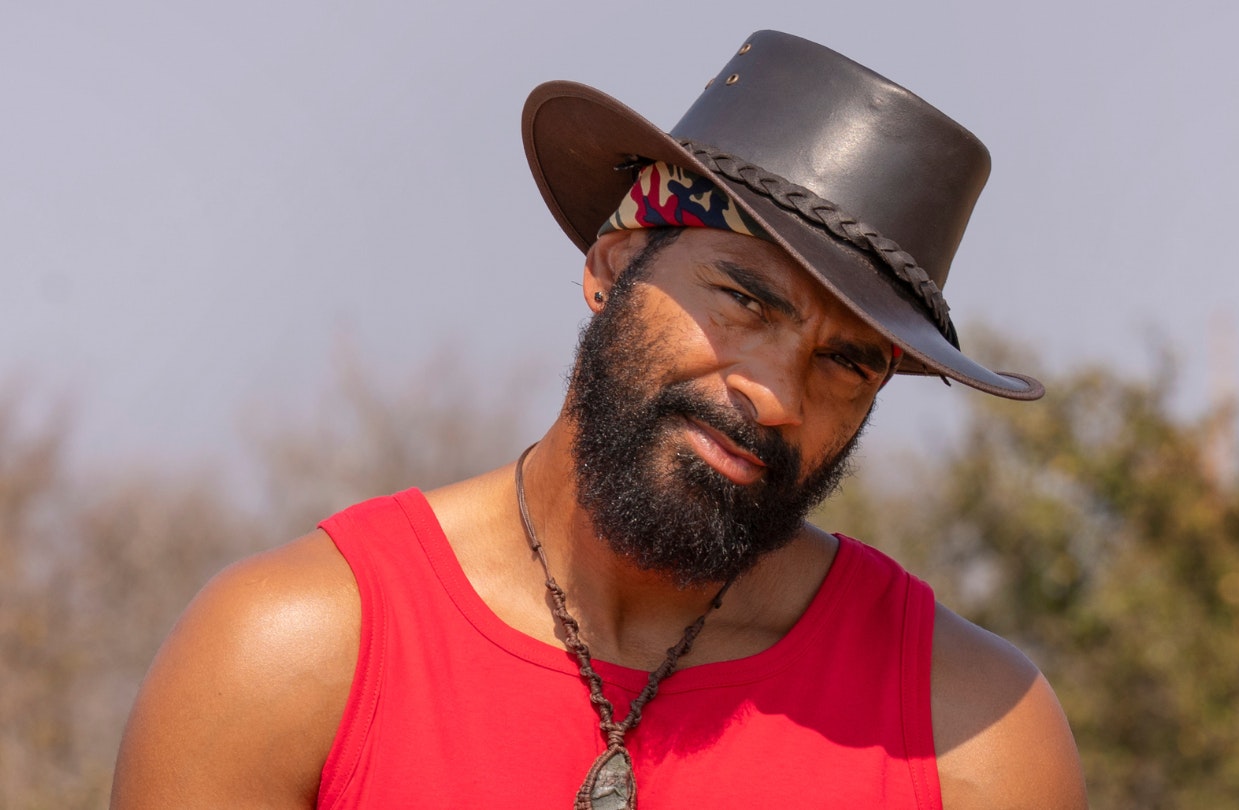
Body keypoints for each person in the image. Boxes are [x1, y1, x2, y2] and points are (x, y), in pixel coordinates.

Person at [113, 30, 1086, 809]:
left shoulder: (968, 733)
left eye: (847, 363)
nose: (776, 397)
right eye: (746, 302)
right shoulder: (295, 654)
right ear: (614, 265)